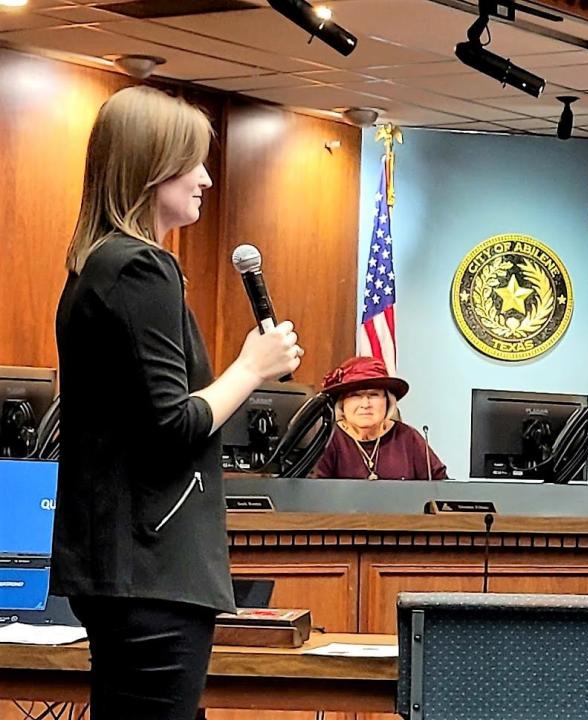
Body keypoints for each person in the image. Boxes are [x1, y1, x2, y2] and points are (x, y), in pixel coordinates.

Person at [52, 86, 303, 720]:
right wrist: (252, 367)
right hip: (152, 569)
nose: (206, 178)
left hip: (125, 568)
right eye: (192, 161)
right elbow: (172, 423)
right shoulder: (141, 267)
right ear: (150, 166)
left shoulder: (97, 265)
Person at [308, 356, 446, 480]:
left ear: (387, 401)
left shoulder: (408, 437)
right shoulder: (328, 438)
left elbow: (442, 489)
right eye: (355, 395)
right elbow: (312, 496)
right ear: (342, 403)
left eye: (373, 395)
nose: (365, 404)